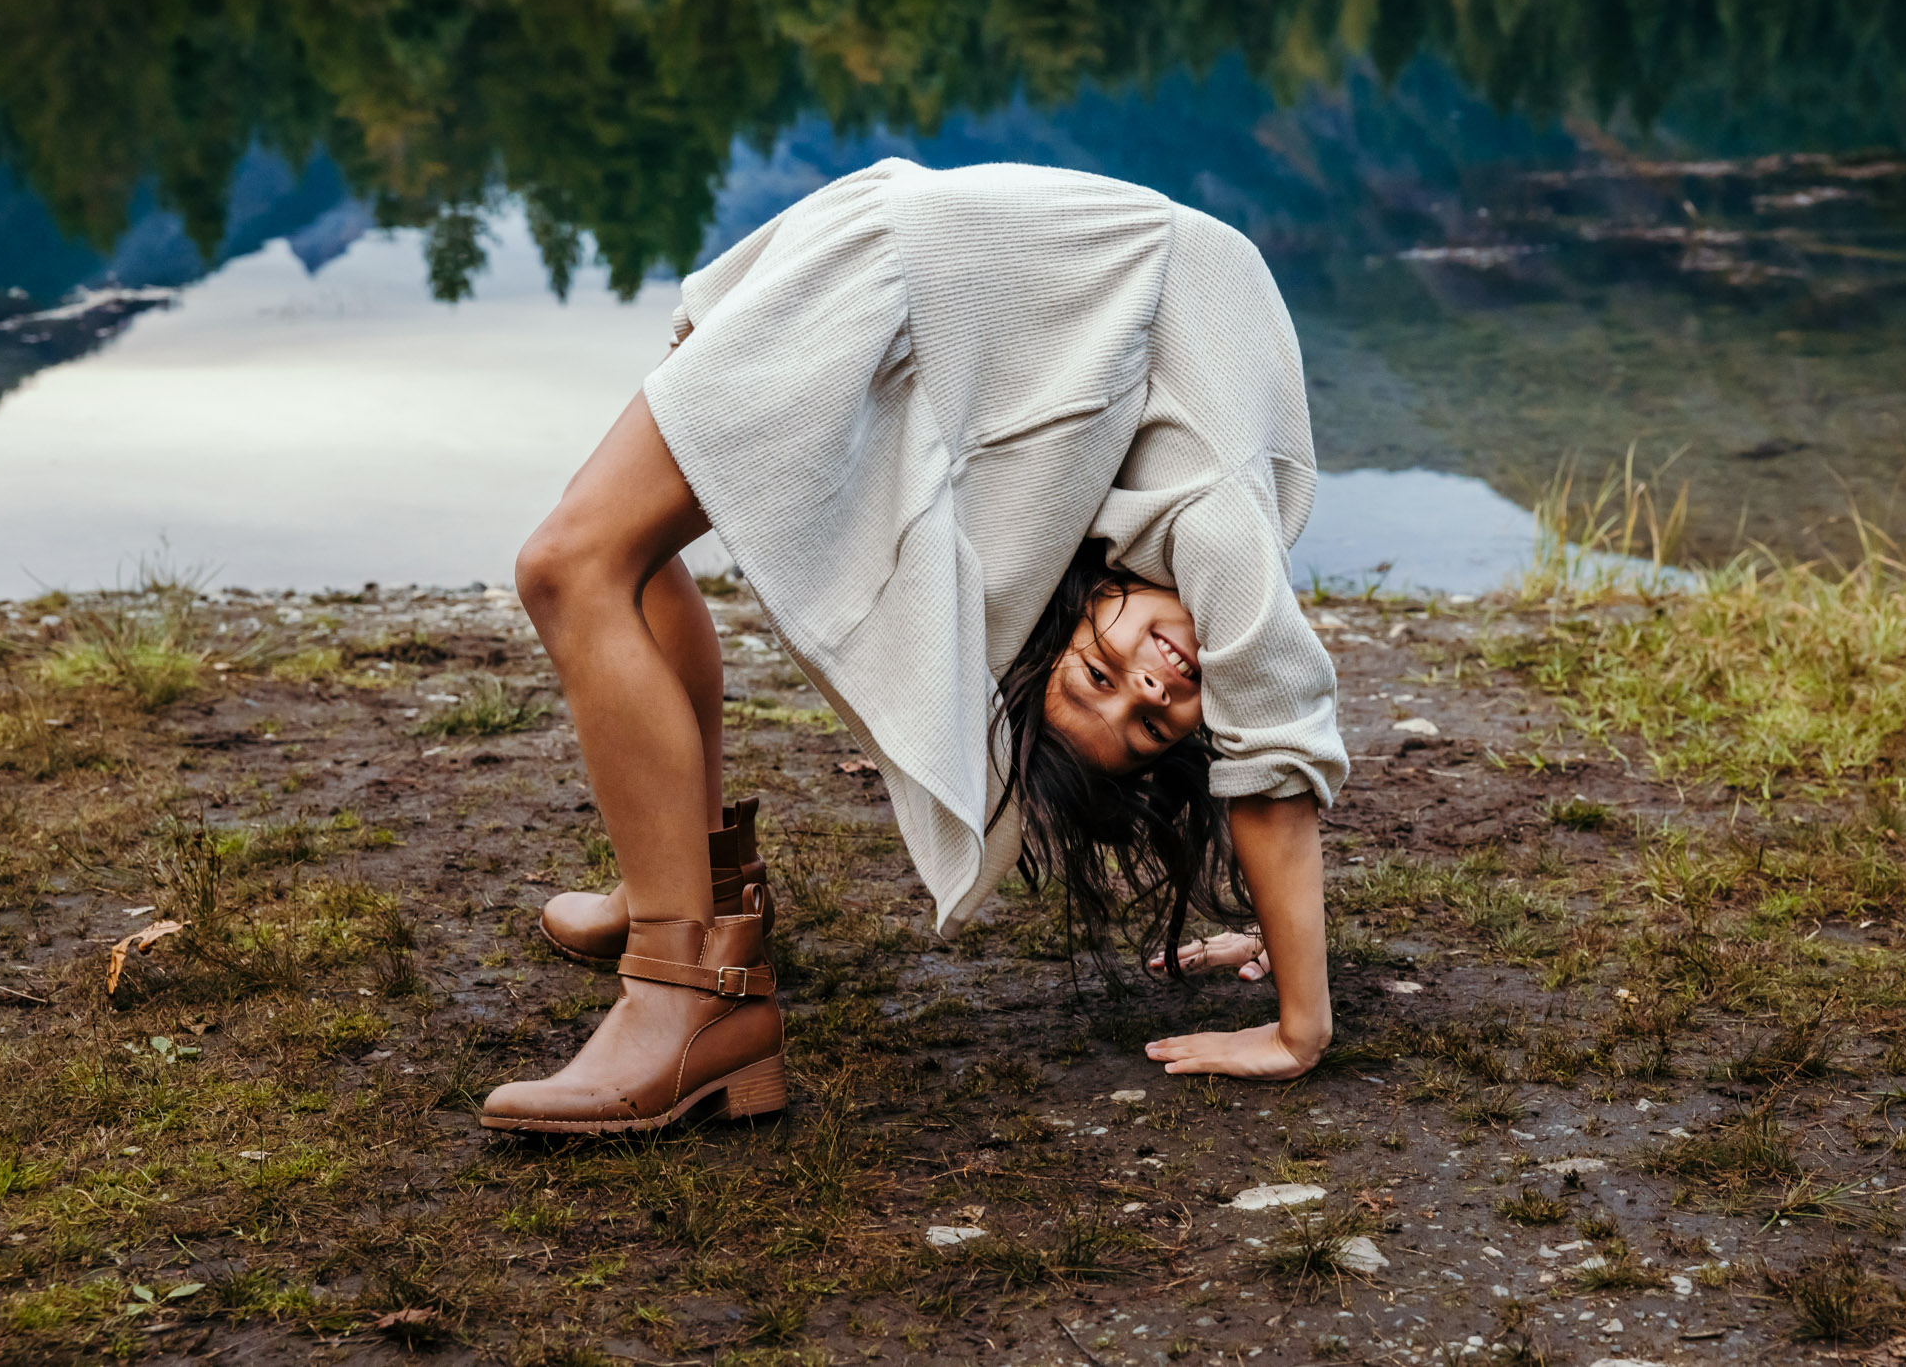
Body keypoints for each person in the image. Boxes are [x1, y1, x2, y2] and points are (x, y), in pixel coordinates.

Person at [480, 159, 1348, 1134]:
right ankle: (687, 963)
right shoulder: (1220, 526)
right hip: (942, 282)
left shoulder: (1169, 530)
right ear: (1079, 608)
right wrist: (1299, 1024)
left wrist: (1288, 924)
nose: (1148, 680)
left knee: (601, 557)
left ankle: (681, 922)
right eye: (1109, 678)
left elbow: (1268, 757)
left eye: (1145, 712)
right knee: (579, 562)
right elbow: (1274, 766)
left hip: (970, 274)